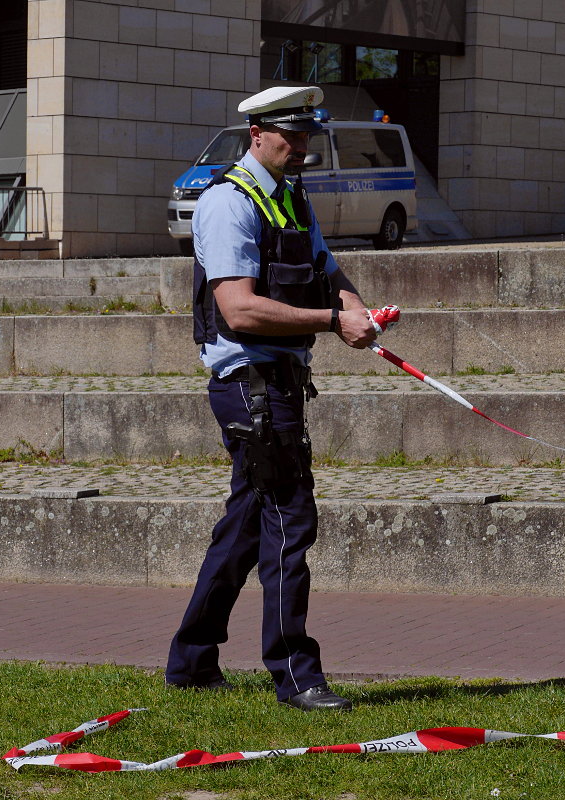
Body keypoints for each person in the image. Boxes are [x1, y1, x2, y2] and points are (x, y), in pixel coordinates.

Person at [165, 85, 396, 711]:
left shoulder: (290, 199)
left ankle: (190, 662)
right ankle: (295, 674)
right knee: (291, 520)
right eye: (289, 136)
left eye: (306, 137)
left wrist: (354, 309)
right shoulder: (228, 205)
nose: (300, 148)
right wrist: (330, 321)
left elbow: (328, 269)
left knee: (246, 526)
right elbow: (237, 310)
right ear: (256, 135)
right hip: (252, 388)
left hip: (279, 384)